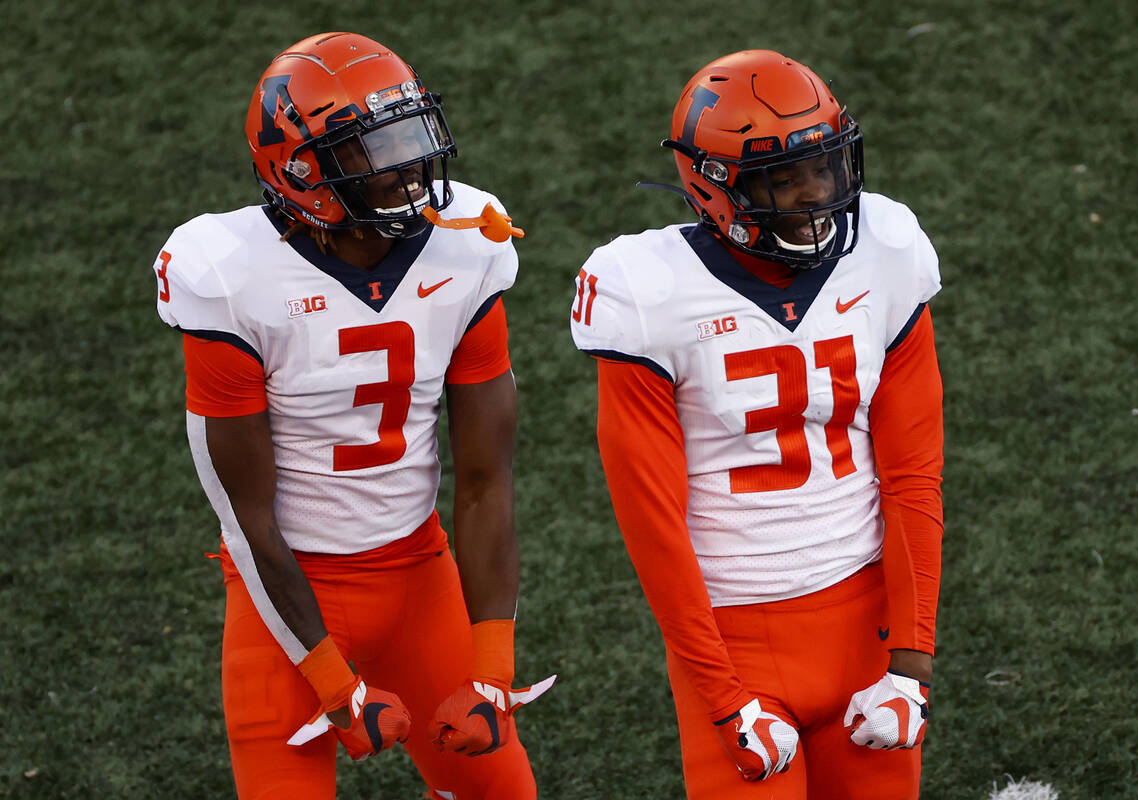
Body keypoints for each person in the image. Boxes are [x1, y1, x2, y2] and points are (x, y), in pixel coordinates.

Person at [152, 32, 551, 799]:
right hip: (288, 596)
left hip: (419, 579)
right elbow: (247, 520)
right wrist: (335, 686)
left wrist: (493, 673)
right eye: (374, 150)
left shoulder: (467, 245)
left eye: (410, 134)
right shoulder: (229, 276)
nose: (408, 164)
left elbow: (485, 479)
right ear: (301, 170)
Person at [570, 50, 944, 799]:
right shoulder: (647, 292)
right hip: (735, 637)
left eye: (825, 170)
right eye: (782, 180)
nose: (814, 197)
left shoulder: (885, 249)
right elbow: (653, 520)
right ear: (714, 188)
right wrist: (718, 694)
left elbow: (912, 473)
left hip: (865, 619)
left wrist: (911, 666)